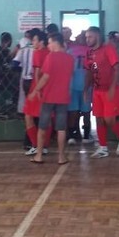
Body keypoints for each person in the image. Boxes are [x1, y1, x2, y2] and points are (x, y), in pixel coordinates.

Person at [27, 33, 74, 165]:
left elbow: (45, 77)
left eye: (49, 42)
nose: (48, 45)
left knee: (42, 127)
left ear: (55, 43)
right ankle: (61, 157)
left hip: (48, 97)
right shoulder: (70, 59)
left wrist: (35, 91)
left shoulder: (50, 57)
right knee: (61, 128)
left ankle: (39, 155)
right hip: (63, 97)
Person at [85, 26, 119, 158]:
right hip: (97, 90)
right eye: (86, 37)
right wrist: (85, 89)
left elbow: (117, 68)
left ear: (97, 37)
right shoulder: (89, 53)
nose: (87, 39)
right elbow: (89, 71)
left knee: (109, 119)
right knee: (99, 118)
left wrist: (111, 88)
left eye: (90, 37)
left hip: (110, 90)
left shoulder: (108, 49)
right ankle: (103, 147)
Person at [22, 30, 49, 155]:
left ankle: (35, 145)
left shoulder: (37, 53)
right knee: (47, 118)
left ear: (41, 42)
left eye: (34, 40)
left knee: (28, 115)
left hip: (36, 87)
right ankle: (43, 146)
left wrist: (37, 90)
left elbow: (37, 72)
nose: (33, 42)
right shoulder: (50, 52)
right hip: (48, 87)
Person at [67, 30, 92, 144]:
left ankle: (72, 135)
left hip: (74, 85)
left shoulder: (70, 51)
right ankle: (86, 136)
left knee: (74, 111)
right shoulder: (91, 51)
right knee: (85, 111)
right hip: (86, 85)